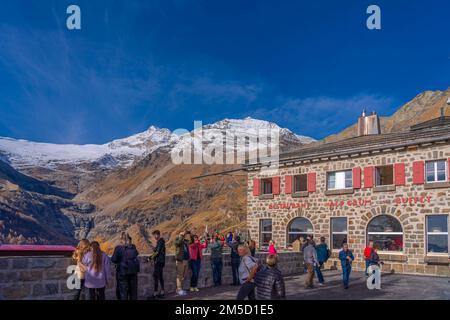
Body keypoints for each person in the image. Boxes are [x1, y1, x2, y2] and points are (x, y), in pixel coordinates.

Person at [111, 232, 140, 300]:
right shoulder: (133, 246)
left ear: (121, 239)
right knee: (133, 292)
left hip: (122, 273)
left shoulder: (118, 248)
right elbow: (136, 254)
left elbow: (113, 259)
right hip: (133, 272)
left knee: (123, 292)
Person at [149, 229, 166, 299]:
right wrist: (154, 249)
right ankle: (162, 292)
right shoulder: (160, 242)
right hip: (161, 261)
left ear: (158, 235)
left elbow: (157, 252)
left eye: (155, 235)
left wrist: (150, 258)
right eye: (154, 235)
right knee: (160, 277)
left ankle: (156, 294)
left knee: (155, 276)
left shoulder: (161, 241)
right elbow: (157, 250)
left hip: (159, 262)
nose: (155, 237)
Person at [174, 231, 190, 296]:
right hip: (180, 260)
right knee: (179, 275)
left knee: (184, 275)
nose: (183, 235)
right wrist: (180, 236)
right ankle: (179, 289)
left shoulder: (185, 241)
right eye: (182, 234)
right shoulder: (177, 240)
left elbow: (190, 241)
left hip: (186, 260)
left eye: (184, 234)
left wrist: (188, 233)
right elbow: (178, 243)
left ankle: (181, 289)